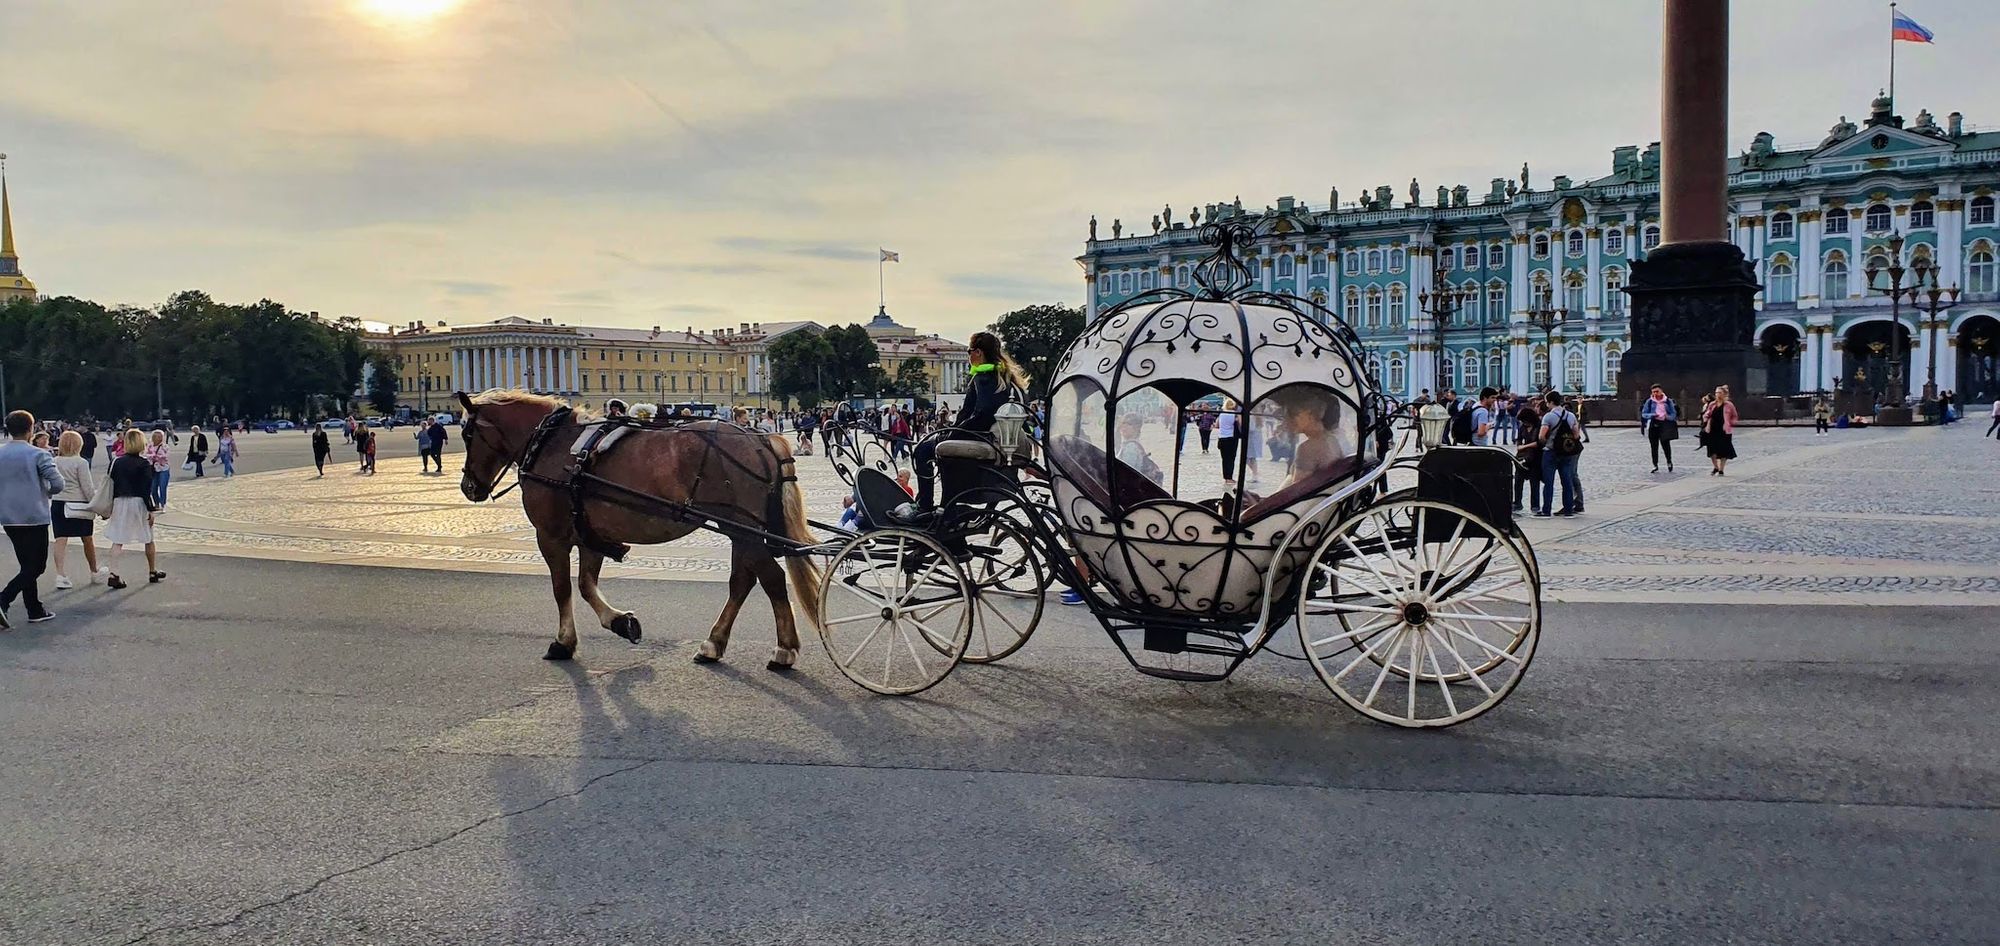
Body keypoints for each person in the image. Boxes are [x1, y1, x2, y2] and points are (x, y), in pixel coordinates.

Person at [894, 331, 1024, 520]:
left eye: (969, 351)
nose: (968, 356)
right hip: (993, 438)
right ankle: (935, 504)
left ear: (978, 353)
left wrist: (954, 432)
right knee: (931, 444)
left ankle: (925, 506)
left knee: (922, 450)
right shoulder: (1004, 377)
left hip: (979, 436)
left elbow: (981, 414)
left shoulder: (984, 377)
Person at [0, 411, 65, 626]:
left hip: (8, 516)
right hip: (34, 515)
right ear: (31, 429)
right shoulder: (38, 454)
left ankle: (34, 608)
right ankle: (3, 599)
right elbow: (58, 483)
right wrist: (46, 491)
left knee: (26, 564)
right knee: (36, 566)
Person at [104, 427, 163, 590]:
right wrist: (150, 509)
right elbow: (146, 489)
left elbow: (111, 483)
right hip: (137, 502)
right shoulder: (144, 463)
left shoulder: (116, 462)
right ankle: (152, 571)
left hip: (120, 501)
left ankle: (114, 573)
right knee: (148, 537)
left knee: (118, 539)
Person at [50, 430, 105, 590]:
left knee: (61, 539)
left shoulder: (54, 461)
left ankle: (60, 575)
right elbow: (87, 487)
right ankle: (94, 571)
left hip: (59, 503)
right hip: (78, 503)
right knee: (87, 538)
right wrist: (97, 505)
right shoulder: (80, 462)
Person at [1536, 391, 1583, 517]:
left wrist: (1548, 443)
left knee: (1548, 482)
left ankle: (1546, 510)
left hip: (1550, 452)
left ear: (1551, 402)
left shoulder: (1548, 417)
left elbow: (1541, 436)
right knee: (1567, 481)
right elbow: (1576, 435)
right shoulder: (1571, 416)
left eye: (1547, 402)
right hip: (1566, 453)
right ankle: (1568, 509)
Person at [1512, 396, 1542, 513]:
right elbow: (1519, 439)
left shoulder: (1538, 426)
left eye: (1524, 420)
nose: (1523, 423)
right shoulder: (1522, 427)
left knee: (1534, 482)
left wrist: (1524, 446)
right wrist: (1520, 446)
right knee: (1518, 481)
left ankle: (1535, 505)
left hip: (1535, 457)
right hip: (1523, 457)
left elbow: (1539, 443)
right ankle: (1517, 502)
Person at [1702, 385, 1739, 475]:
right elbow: (1706, 414)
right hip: (1712, 429)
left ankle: (1721, 469)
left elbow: (1735, 416)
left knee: (1723, 450)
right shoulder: (1712, 404)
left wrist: (1731, 423)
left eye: (1720, 393)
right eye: (1716, 393)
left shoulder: (1729, 405)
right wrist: (1706, 418)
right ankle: (1715, 467)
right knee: (1712, 450)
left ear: (1724, 394)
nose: (1718, 394)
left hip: (1724, 430)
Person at [1641, 384, 1679, 472]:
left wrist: (1668, 417)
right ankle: (1655, 464)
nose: (1655, 394)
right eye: (1653, 392)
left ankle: (1669, 461)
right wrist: (1652, 415)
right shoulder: (1649, 401)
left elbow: (1673, 414)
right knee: (1654, 446)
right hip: (1653, 423)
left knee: (1665, 445)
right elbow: (1644, 413)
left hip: (1664, 424)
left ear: (1661, 391)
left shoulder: (1668, 401)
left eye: (1657, 391)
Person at [1215, 400, 1241, 484]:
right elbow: (1240, 425)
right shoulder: (1235, 414)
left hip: (1222, 438)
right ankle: (1230, 477)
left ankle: (1226, 477)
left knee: (1224, 459)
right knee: (1231, 458)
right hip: (1231, 438)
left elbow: (1217, 425)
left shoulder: (1221, 414)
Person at [145, 429, 172, 508]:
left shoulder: (165, 446)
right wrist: (152, 456)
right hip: (153, 468)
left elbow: (166, 456)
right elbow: (146, 455)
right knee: (153, 487)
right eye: (156, 436)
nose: (158, 438)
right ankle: (156, 503)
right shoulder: (149, 446)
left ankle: (163, 504)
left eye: (160, 436)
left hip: (164, 468)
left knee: (162, 486)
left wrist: (157, 456)